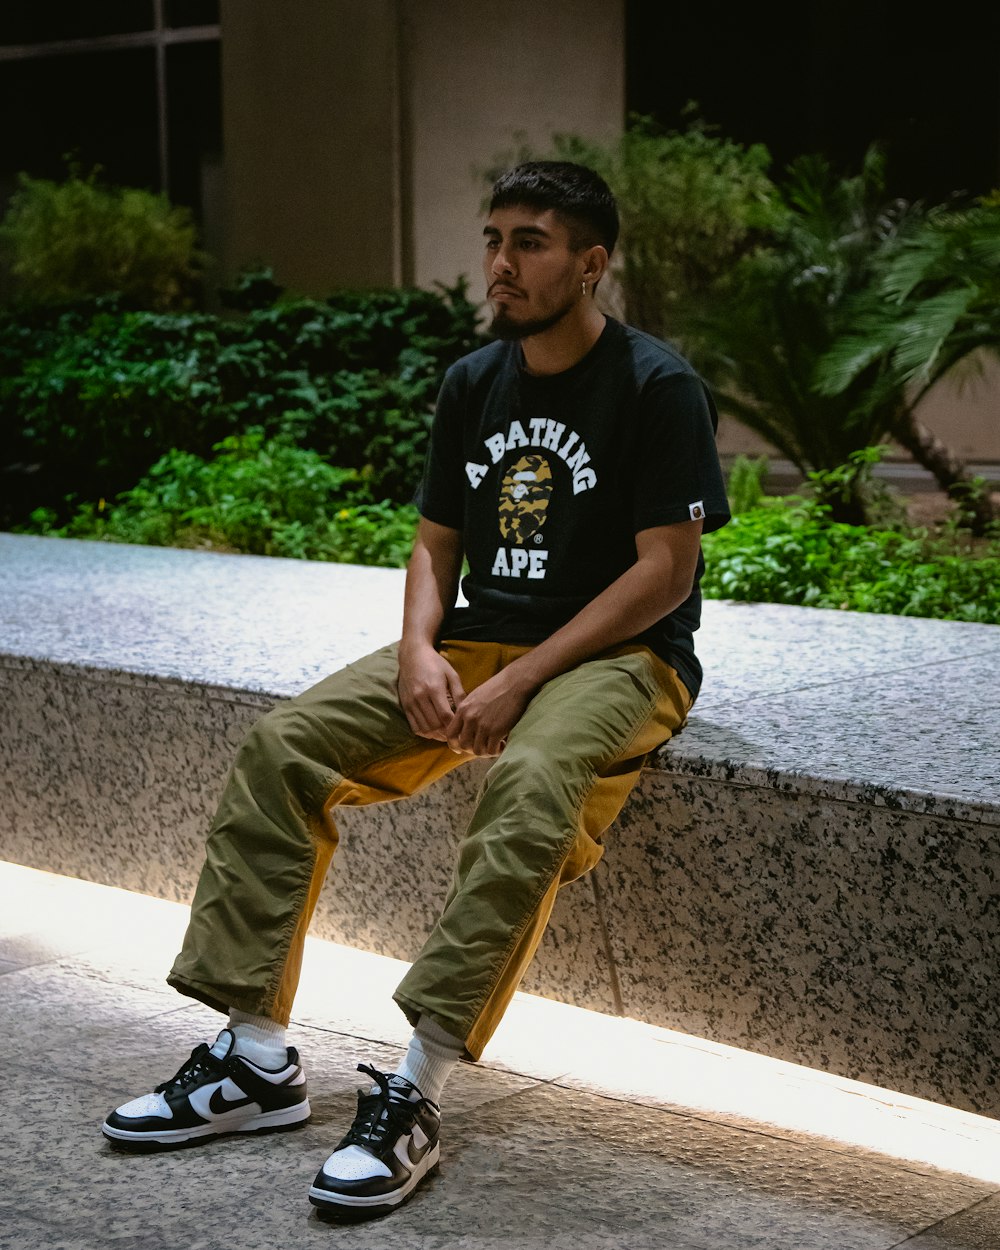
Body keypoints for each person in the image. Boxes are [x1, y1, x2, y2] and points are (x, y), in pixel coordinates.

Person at [101, 161, 731, 1218]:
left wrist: (523, 679)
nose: (501, 262)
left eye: (529, 241)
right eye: (493, 237)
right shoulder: (473, 381)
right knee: (283, 747)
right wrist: (415, 650)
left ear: (591, 262)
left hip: (623, 658)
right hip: (478, 639)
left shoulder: (654, 385)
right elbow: (435, 543)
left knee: (528, 782)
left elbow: (664, 570)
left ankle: (415, 1089)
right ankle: (254, 1058)